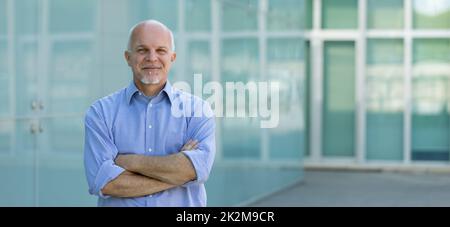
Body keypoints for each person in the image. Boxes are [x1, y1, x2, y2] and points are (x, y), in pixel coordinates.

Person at [83, 20, 215, 207]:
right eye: (142, 50)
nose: (152, 58)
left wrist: (129, 161)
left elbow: (196, 169)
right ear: (128, 57)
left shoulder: (197, 111)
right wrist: (176, 173)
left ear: (172, 57)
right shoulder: (100, 113)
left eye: (161, 50)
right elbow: (106, 183)